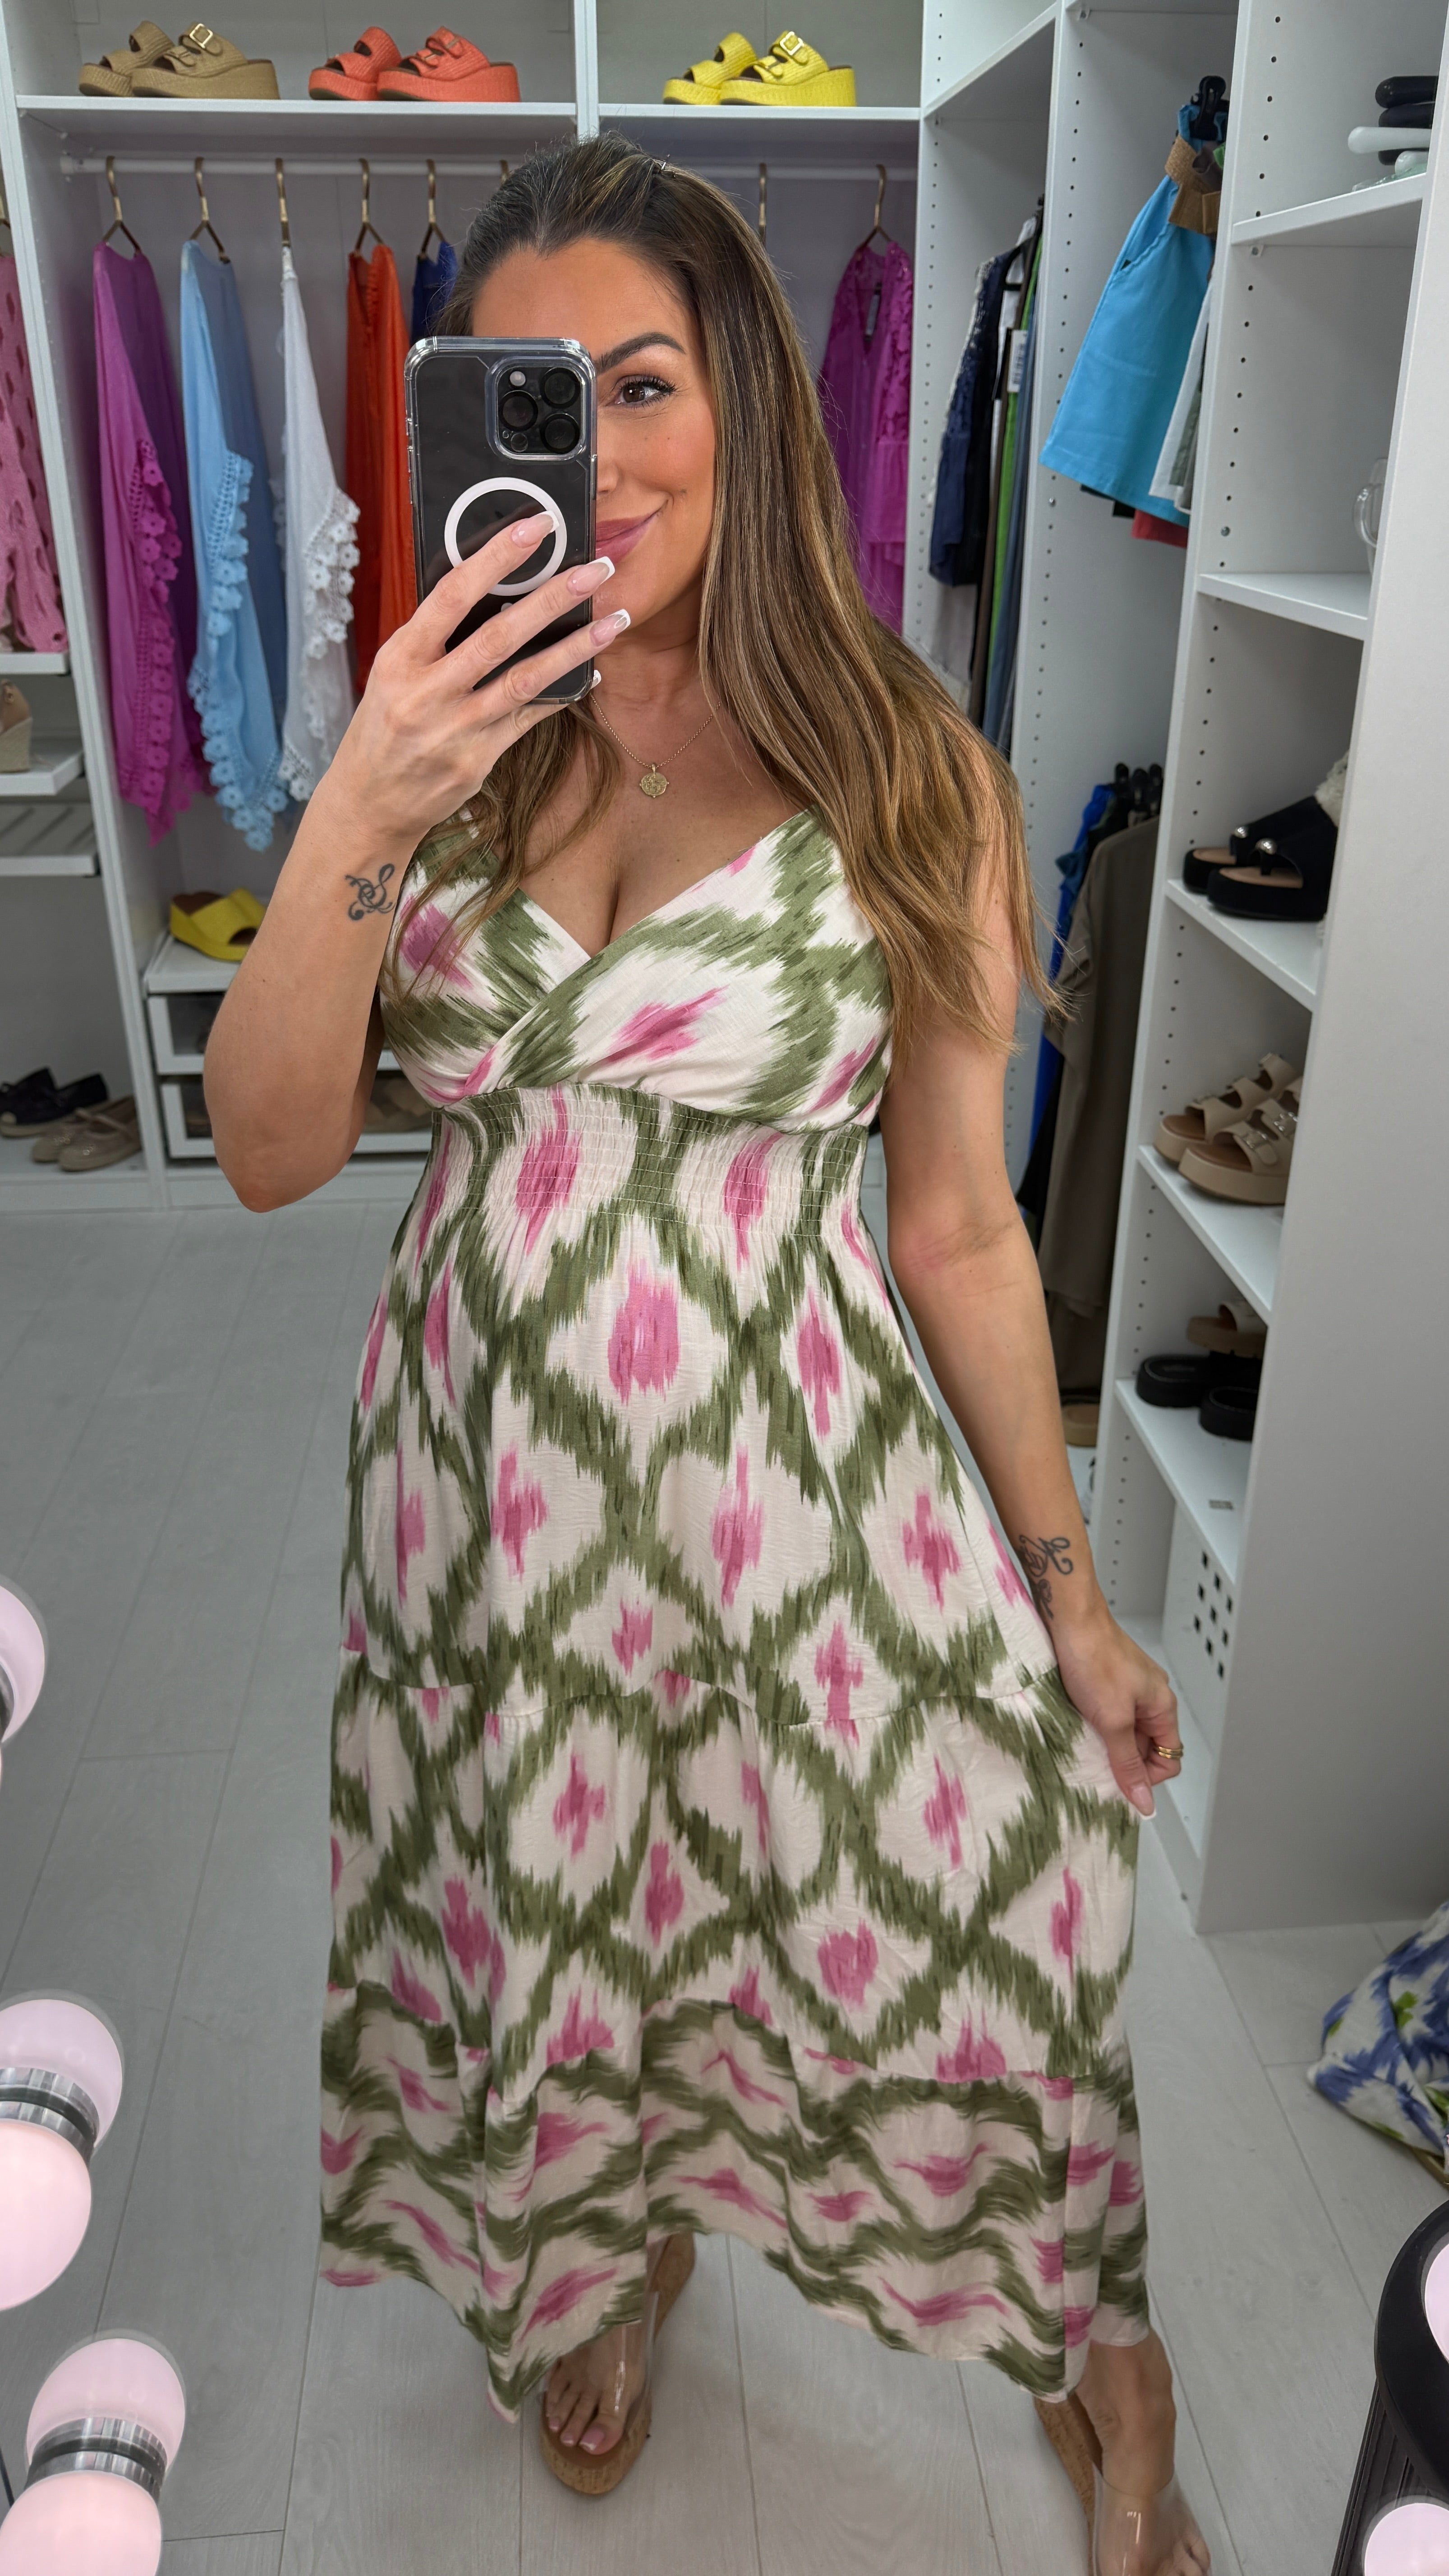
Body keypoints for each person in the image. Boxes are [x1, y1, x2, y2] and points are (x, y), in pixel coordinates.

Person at [206, 135, 1208, 2574]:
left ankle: (1099, 2334)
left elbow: (957, 1221)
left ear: (744, 391)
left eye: (642, 382)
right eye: (536, 390)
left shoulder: (905, 769)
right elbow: (267, 1150)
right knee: (574, 1910)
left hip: (805, 1483)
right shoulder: (435, 741)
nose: (605, 452)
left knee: (983, 1909)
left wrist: (1073, 1590)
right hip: (493, 1492)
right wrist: (366, 801)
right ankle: (614, 2249)